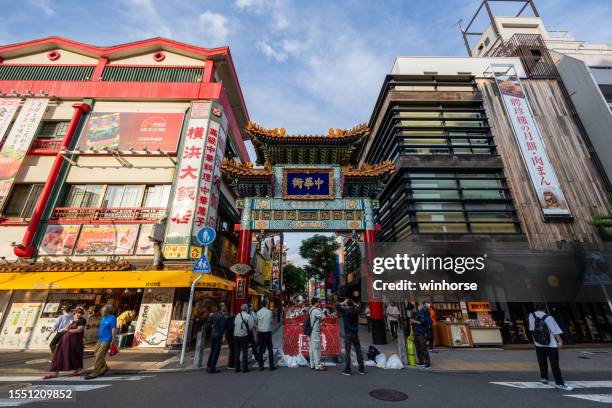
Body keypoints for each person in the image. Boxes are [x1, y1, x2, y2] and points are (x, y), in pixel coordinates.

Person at [528, 303, 574, 391]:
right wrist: (560, 342)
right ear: (545, 307)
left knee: (542, 361)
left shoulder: (531, 316)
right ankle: (559, 383)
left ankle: (544, 378)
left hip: (538, 343)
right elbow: (555, 331)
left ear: (535, 307)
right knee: (554, 364)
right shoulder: (549, 317)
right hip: (551, 344)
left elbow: (531, 329)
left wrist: (535, 341)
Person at [43, 307, 86, 379]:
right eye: (77, 312)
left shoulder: (82, 320)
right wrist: (63, 331)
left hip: (74, 341)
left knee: (73, 355)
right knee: (59, 355)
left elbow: (79, 330)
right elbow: (66, 329)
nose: (78, 314)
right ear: (74, 313)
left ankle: (77, 370)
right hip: (65, 340)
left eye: (80, 313)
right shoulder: (73, 320)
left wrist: (69, 330)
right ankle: (54, 372)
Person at [85, 305, 117, 380]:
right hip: (100, 338)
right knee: (96, 353)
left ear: (108, 311)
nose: (101, 312)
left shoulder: (112, 318)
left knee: (99, 355)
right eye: (101, 311)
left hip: (107, 339)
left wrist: (113, 339)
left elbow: (114, 329)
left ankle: (95, 372)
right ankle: (104, 367)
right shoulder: (103, 317)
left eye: (103, 311)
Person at [336, 299, 365, 376]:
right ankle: (361, 369)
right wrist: (354, 304)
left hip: (348, 334)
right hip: (355, 334)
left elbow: (337, 306)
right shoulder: (355, 311)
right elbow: (360, 308)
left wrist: (343, 302)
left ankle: (348, 370)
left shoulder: (345, 311)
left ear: (346, 305)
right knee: (358, 350)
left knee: (347, 351)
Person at [408, 303, 431, 369]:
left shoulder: (420, 313)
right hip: (415, 332)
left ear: (413, 308)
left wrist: (414, 321)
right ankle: (421, 362)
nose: (410, 312)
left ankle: (428, 363)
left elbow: (422, 322)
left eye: (411, 310)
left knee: (423, 348)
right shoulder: (413, 314)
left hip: (421, 333)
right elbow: (412, 323)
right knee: (418, 348)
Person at [234, 303, 255, 373]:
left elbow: (235, 323)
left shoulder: (237, 315)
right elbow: (251, 326)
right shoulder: (248, 316)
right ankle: (244, 368)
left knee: (237, 351)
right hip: (243, 335)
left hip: (236, 335)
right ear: (246, 309)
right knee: (244, 351)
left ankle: (237, 367)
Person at [207, 303, 227, 374]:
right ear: (221, 307)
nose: (225, 307)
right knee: (216, 351)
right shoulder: (222, 316)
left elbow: (209, 322)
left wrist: (213, 326)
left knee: (212, 350)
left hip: (213, 334)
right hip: (218, 334)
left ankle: (208, 366)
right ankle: (212, 368)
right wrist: (223, 335)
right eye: (224, 306)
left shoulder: (214, 314)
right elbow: (223, 327)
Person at [257, 299, 275, 371]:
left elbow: (257, 322)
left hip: (260, 332)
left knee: (261, 349)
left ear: (261, 304)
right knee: (270, 348)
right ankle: (271, 365)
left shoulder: (258, 312)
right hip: (267, 332)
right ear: (267, 304)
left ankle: (261, 366)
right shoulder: (270, 312)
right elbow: (271, 322)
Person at [308, 297, 326, 371]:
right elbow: (323, 317)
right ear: (315, 303)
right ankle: (318, 365)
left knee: (312, 348)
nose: (320, 303)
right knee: (316, 348)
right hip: (315, 331)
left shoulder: (311, 309)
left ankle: (312, 364)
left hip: (311, 331)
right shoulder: (316, 310)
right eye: (319, 302)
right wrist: (321, 310)